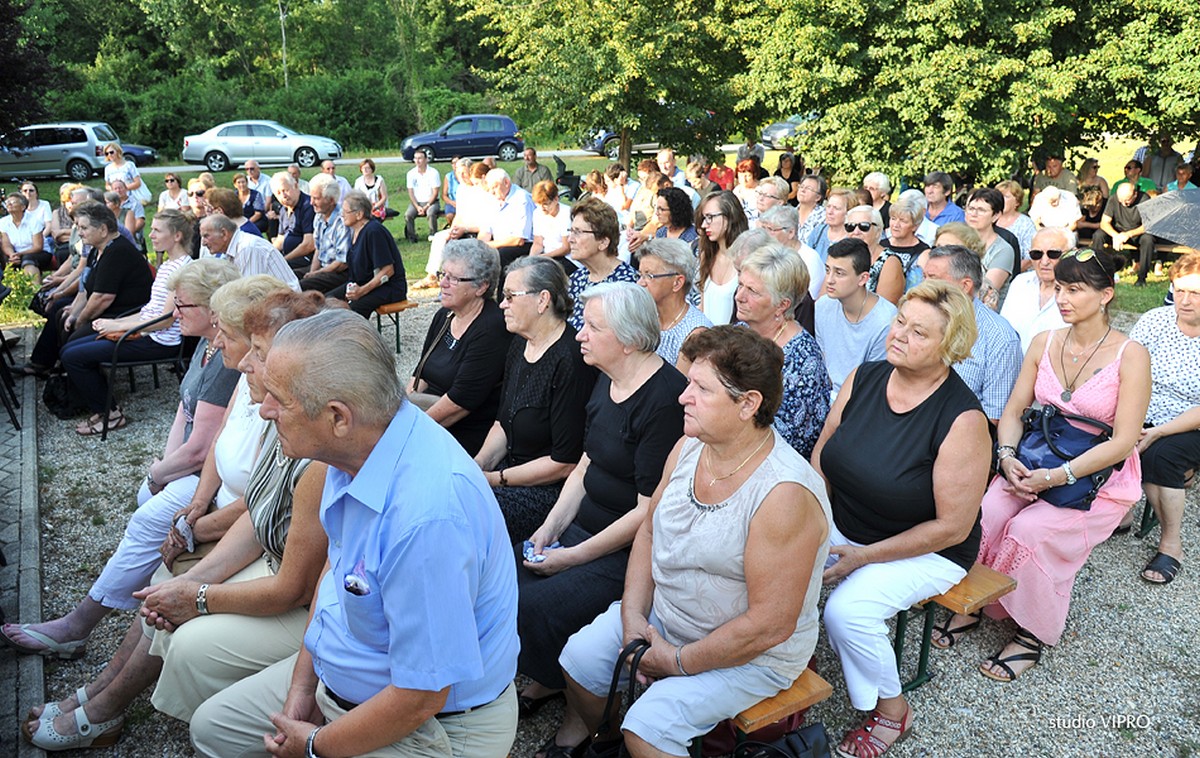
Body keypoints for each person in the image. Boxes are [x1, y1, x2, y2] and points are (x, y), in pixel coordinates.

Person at [189, 310, 520, 758]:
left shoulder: (427, 519)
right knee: (213, 730)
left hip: (435, 729)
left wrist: (314, 746)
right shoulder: (357, 451)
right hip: (350, 682)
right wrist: (303, 686)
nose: (263, 411)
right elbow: (337, 567)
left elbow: (421, 696)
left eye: (278, 400)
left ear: (338, 417)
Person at [19, 287, 326, 752]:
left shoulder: (306, 435)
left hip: (291, 583)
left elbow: (293, 577)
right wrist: (196, 543)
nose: (232, 354)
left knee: (175, 610)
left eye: (253, 349)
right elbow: (242, 484)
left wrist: (198, 587)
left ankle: (102, 708)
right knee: (165, 584)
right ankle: (97, 697)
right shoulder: (274, 405)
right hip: (263, 547)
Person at [547, 325, 831, 758]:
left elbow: (770, 625)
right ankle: (604, 746)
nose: (683, 396)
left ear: (748, 404)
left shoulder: (783, 495)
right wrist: (631, 617)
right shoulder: (689, 446)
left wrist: (677, 661)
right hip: (671, 615)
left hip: (751, 654)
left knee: (647, 731)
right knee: (579, 661)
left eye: (701, 388)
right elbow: (649, 529)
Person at [2, 259, 246, 659]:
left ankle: (76, 626)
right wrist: (163, 469)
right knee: (148, 507)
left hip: (211, 475)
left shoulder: (225, 356)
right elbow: (184, 411)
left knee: (149, 515)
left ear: (212, 309)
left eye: (181, 306)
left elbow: (203, 448)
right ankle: (138, 591)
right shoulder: (207, 342)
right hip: (190, 466)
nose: (172, 313)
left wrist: (157, 473)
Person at [939, 248, 1150, 684]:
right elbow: (1014, 410)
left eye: (1075, 289)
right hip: (1036, 453)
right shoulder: (1045, 341)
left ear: (1106, 294)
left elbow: (1125, 440)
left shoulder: (1131, 356)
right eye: (1059, 287)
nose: (1062, 298)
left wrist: (1059, 476)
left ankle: (1033, 629)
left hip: (1098, 473)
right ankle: (977, 600)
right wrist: (1008, 457)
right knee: (989, 512)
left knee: (1030, 531)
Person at [812, 280, 991, 758]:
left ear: (948, 349)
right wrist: (811, 517)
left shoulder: (963, 420)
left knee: (846, 613)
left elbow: (952, 526)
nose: (899, 336)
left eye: (919, 333)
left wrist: (862, 557)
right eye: (899, 323)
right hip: (845, 519)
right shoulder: (865, 376)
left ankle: (892, 711)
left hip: (926, 548)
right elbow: (824, 449)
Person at [513, 282, 686, 731]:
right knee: (502, 574)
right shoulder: (607, 378)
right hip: (582, 530)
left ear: (627, 340)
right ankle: (555, 675)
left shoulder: (664, 400)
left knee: (538, 604)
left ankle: (581, 708)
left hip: (625, 552)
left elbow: (647, 512)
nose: (579, 336)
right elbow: (585, 464)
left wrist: (570, 557)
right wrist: (548, 531)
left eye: (592, 327)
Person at [476, 257, 596, 542]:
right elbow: (502, 424)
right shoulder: (519, 344)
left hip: (547, 493)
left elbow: (564, 463)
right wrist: (477, 465)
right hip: (508, 475)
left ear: (543, 300)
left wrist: (494, 480)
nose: (502, 305)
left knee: (464, 517)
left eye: (509, 297)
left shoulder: (570, 360)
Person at [61, 210, 194, 435]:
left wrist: (116, 325)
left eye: (157, 230)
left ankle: (110, 413)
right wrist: (117, 321)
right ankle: (104, 407)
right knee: (70, 348)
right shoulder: (169, 265)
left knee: (73, 356)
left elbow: (164, 320)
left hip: (159, 341)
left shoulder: (182, 269)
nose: (150, 235)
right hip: (147, 332)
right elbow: (149, 311)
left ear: (177, 236)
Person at [1128, 253, 1200, 584]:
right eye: (1179, 290)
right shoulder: (1156, 320)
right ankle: (1120, 511)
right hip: (1143, 407)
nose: (1184, 301)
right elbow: (1125, 369)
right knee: (1108, 434)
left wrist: (1156, 432)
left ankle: (1172, 545)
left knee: (1161, 455)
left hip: (1190, 420)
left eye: (1196, 293)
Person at [20, 202, 153, 377]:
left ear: (103, 230)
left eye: (84, 228)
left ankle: (76, 385)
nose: (79, 232)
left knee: (72, 343)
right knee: (62, 315)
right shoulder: (97, 249)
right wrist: (74, 312)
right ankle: (53, 370)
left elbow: (102, 298)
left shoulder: (117, 252)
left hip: (122, 315)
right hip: (108, 310)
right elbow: (85, 289)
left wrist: (80, 320)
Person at [409, 239, 510, 456]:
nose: (443, 283)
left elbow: (460, 403)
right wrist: (400, 410)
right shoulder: (444, 316)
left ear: (481, 286)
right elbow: (420, 374)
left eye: (454, 279)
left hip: (463, 430)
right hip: (429, 415)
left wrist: (410, 430)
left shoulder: (492, 328)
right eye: (443, 274)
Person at [735, 245, 830, 458]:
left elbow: (791, 441)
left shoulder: (803, 359)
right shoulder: (741, 331)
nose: (739, 296)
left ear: (782, 305)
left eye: (752, 291)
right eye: (740, 285)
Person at [921, 246, 1022, 423]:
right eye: (924, 277)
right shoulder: (916, 319)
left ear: (965, 285)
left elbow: (994, 417)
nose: (924, 285)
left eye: (933, 278)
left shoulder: (1000, 337)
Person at [815, 239, 897, 401]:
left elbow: (874, 382)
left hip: (861, 399)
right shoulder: (822, 306)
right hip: (825, 395)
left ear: (863, 278)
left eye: (839, 273)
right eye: (827, 270)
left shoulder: (885, 320)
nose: (830, 279)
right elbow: (822, 360)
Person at [323, 190, 407, 316]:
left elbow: (388, 270)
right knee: (327, 301)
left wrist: (361, 291)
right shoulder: (355, 231)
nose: (342, 215)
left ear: (359, 214)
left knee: (351, 310)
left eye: (346, 212)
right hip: (363, 284)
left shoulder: (374, 231)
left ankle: (355, 334)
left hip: (389, 288)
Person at [565, 197, 639, 330]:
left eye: (578, 232)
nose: (570, 239)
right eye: (571, 231)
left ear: (603, 242)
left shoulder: (626, 285)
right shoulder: (577, 278)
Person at [637, 238, 712, 366]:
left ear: (677, 283)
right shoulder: (647, 317)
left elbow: (678, 385)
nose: (640, 283)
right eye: (640, 275)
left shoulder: (694, 334)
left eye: (649, 276)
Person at [1000, 227, 1071, 352]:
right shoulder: (1019, 283)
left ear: (1072, 253)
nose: (1044, 262)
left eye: (1053, 254)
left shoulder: (1081, 293)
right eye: (1036, 254)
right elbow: (1002, 331)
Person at [199, 215, 301, 290]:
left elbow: (250, 293)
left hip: (287, 307)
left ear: (224, 233)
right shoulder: (235, 248)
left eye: (206, 236)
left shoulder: (247, 248)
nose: (203, 243)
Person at [697, 191, 749, 325]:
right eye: (704, 218)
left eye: (710, 217)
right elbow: (703, 307)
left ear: (729, 217)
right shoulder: (707, 256)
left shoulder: (747, 261)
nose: (704, 225)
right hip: (707, 341)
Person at [1091, 182, 1156, 286]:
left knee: (1148, 239)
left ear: (1135, 194)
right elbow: (1104, 223)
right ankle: (1094, 271)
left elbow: (1149, 225)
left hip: (1136, 232)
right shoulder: (1113, 199)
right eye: (1120, 201)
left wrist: (1128, 234)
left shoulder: (1145, 199)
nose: (1123, 204)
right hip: (1118, 231)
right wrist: (1115, 235)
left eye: (1127, 201)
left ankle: (1141, 278)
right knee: (1098, 235)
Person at [964, 188, 1018, 306]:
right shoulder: (957, 241)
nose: (973, 214)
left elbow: (984, 293)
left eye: (981, 210)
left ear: (996, 215)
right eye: (971, 208)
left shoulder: (1003, 250)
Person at [759, 205, 823, 302]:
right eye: (765, 228)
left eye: (771, 229)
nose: (766, 234)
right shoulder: (767, 252)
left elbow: (807, 301)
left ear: (791, 233)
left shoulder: (809, 260)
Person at [299, 174, 350, 293]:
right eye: (311, 197)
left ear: (331, 200)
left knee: (300, 286)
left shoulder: (342, 222)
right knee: (289, 277)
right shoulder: (318, 217)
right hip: (323, 267)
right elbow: (318, 249)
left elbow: (342, 263)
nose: (311, 202)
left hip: (339, 272)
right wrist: (312, 272)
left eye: (316, 198)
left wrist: (316, 274)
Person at [846, 204, 904, 304]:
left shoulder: (889, 262)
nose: (856, 232)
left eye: (864, 226)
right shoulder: (841, 255)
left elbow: (884, 309)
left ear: (878, 231)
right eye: (850, 226)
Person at [481, 168, 536, 268]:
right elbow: (486, 231)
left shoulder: (522, 199)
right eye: (490, 189)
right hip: (499, 243)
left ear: (506, 182)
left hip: (524, 245)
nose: (492, 192)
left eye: (494, 187)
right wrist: (479, 245)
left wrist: (488, 245)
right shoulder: (493, 199)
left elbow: (518, 240)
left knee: (501, 255)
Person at [270, 172, 316, 272]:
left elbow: (309, 245)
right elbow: (280, 240)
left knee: (276, 270)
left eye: (285, 190)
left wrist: (283, 260)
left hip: (305, 258)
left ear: (295, 186)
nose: (283, 196)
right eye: (278, 193)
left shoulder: (308, 206)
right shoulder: (283, 209)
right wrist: (268, 253)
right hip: (288, 256)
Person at [2, 192, 48, 284]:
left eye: (13, 202)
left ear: (23, 207)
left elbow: (38, 247)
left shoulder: (34, 221)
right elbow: (6, 244)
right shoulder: (3, 222)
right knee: (5, 258)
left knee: (28, 259)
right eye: (8, 202)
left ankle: (34, 292)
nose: (9, 204)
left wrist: (20, 254)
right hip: (16, 254)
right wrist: (12, 255)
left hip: (37, 253)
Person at [531, 180, 573, 268]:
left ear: (556, 199)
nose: (542, 208)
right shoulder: (537, 213)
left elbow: (566, 248)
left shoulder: (566, 214)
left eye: (546, 204)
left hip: (567, 257)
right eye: (539, 204)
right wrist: (531, 259)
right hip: (547, 255)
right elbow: (538, 242)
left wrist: (545, 257)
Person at [807, 187, 854, 264]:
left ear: (848, 212)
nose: (830, 211)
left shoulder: (852, 238)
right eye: (828, 206)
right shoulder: (818, 232)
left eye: (836, 208)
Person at [995, 180, 1037, 262]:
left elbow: (1030, 257)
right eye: (998, 196)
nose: (1001, 199)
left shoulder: (1025, 224)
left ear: (1017, 201)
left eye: (1006, 197)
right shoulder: (989, 219)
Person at [405, 150, 443, 241]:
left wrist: (426, 206)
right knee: (408, 214)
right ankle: (412, 236)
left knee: (430, 212)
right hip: (417, 202)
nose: (417, 161)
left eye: (420, 158)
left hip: (432, 202)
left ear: (426, 159)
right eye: (416, 158)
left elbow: (435, 192)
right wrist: (417, 206)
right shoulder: (411, 174)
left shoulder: (433, 173)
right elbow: (410, 192)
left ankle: (433, 234)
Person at [795, 174, 827, 244]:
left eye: (808, 188)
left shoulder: (825, 217)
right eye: (801, 186)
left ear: (818, 197)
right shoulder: (789, 213)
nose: (803, 190)